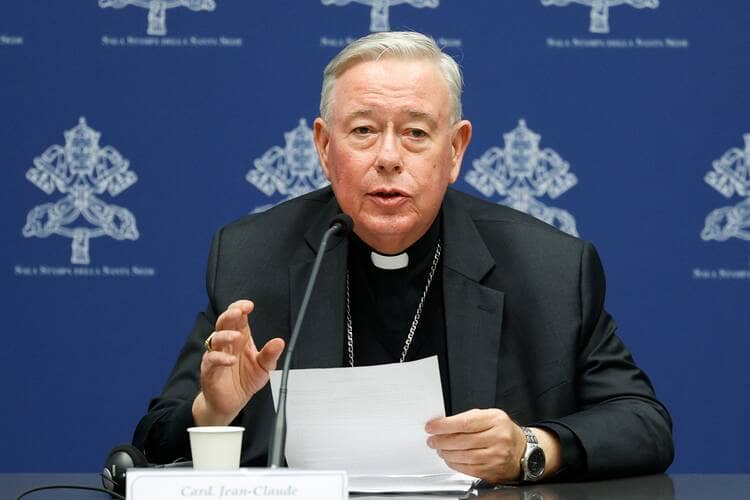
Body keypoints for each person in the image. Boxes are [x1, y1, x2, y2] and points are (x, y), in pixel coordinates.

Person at [133, 31, 674, 483]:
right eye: (364, 131)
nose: (388, 157)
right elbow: (155, 437)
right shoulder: (253, 256)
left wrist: (530, 447)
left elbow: (644, 424)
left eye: (415, 133)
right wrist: (216, 410)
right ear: (324, 147)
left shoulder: (551, 268)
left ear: (456, 149)